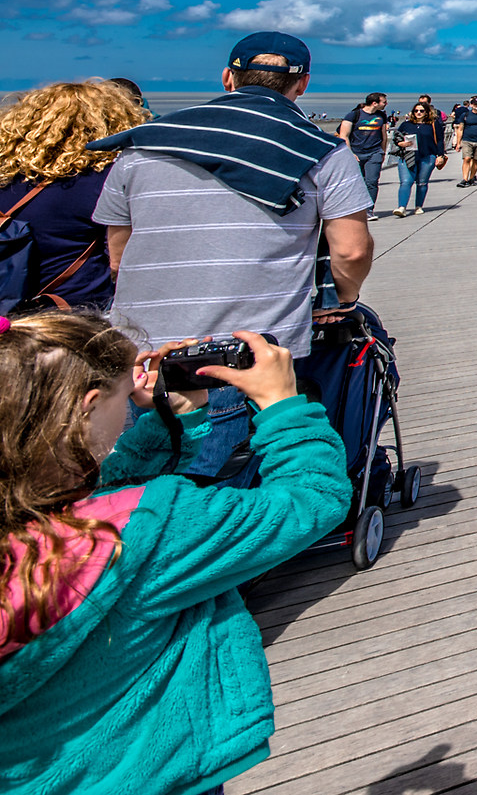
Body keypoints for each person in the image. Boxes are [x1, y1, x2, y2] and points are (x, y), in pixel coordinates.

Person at [0, 316, 348, 794]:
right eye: (125, 401)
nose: (128, 414)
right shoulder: (154, 533)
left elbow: (104, 497)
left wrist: (171, 419)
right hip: (148, 775)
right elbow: (311, 499)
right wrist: (282, 404)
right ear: (87, 409)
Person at [88, 30, 374, 481]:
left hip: (142, 343)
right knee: (223, 477)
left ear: (227, 77)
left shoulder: (143, 144)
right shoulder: (323, 151)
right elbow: (352, 250)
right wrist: (345, 298)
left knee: (137, 469)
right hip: (252, 344)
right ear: (302, 85)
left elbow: (119, 255)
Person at [0, 81, 148, 313]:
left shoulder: (5, 174)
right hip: (75, 314)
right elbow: (120, 261)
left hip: (8, 314)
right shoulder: (109, 179)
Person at [336, 92, 390, 218]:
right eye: (384, 102)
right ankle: (355, 210)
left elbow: (384, 136)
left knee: (372, 181)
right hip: (356, 153)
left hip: (374, 152)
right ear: (374, 103)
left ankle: (369, 210)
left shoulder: (381, 115)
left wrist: (383, 152)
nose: (386, 104)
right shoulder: (354, 115)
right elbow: (344, 136)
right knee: (356, 183)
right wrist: (350, 154)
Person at [391, 101, 444, 217]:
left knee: (422, 182)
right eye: (416, 111)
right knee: (406, 182)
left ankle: (418, 206)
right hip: (408, 156)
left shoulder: (433, 124)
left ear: (426, 112)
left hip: (427, 156)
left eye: (421, 111)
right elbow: (397, 137)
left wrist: (440, 155)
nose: (418, 113)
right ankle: (402, 207)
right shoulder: (406, 124)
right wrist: (401, 143)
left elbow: (440, 140)